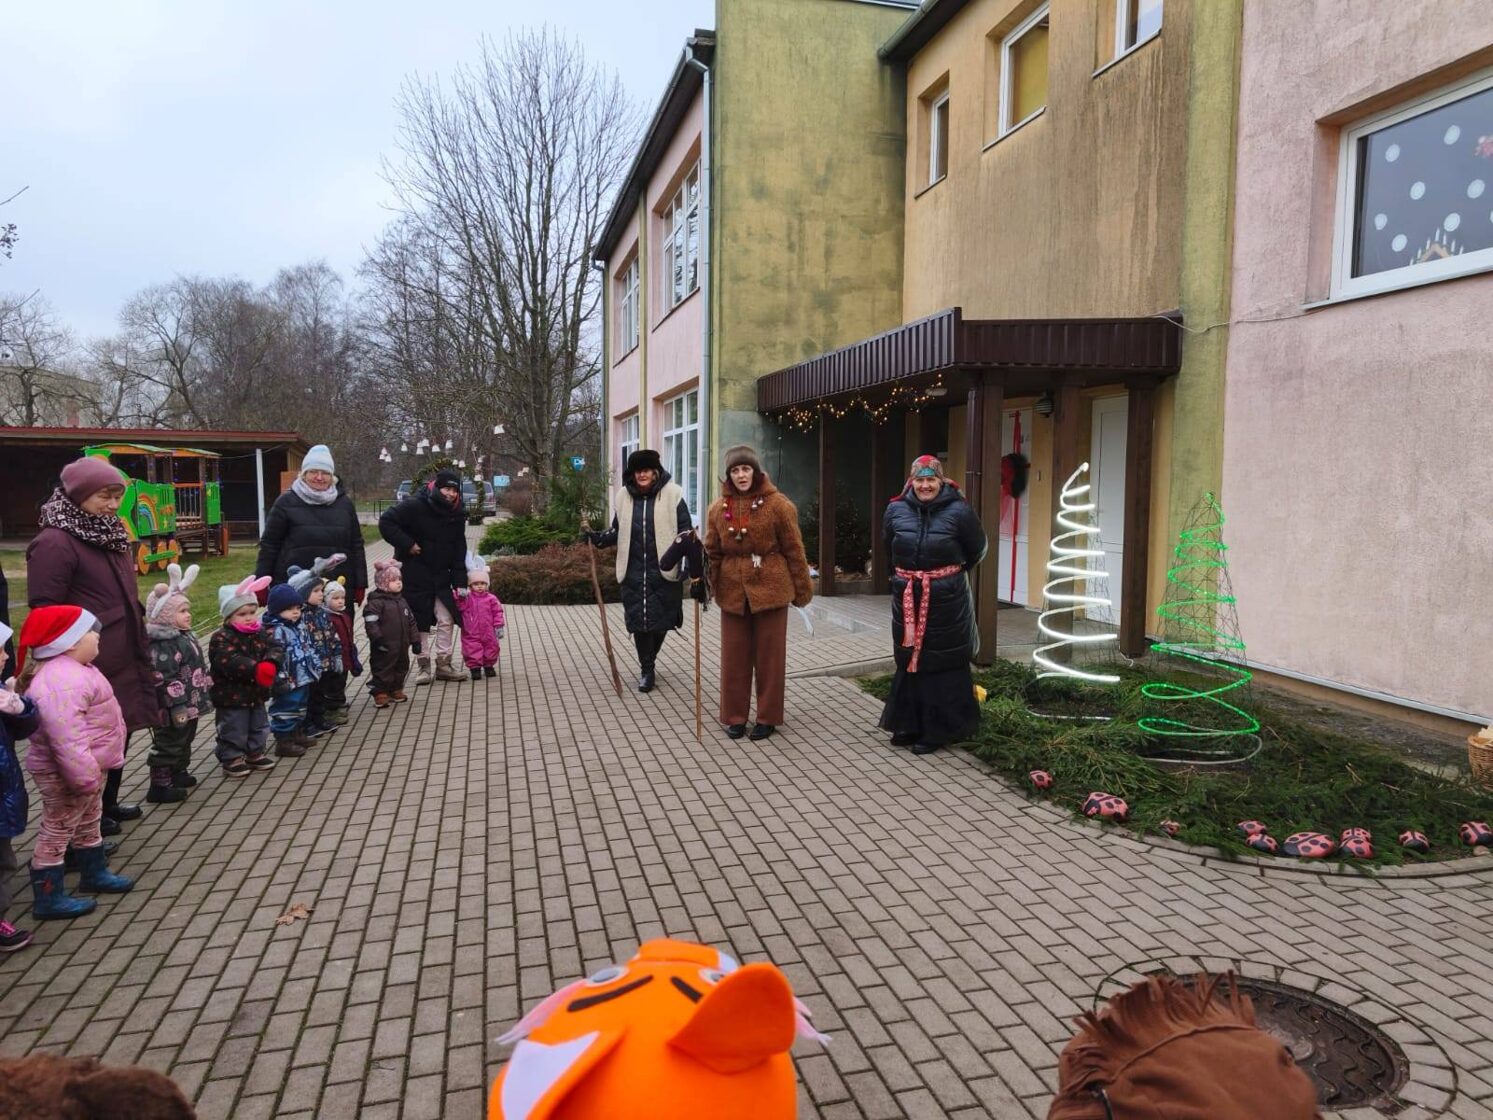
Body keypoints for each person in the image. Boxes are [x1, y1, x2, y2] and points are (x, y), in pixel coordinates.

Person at [26, 456, 162, 835]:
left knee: (117, 728)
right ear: (79, 494)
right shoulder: (55, 541)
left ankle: (108, 804)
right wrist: (64, 653)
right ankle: (87, 821)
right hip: (84, 656)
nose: (113, 505)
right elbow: (45, 607)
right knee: (89, 738)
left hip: (121, 647)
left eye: (118, 496)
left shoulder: (109, 532)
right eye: (105, 496)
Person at [18, 605, 134, 920]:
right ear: (69, 642)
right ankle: (48, 897)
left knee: (88, 819)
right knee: (58, 829)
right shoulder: (60, 681)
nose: (98, 638)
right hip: (70, 773)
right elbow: (65, 738)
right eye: (91, 633)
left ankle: (93, 872)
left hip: (89, 768)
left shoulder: (77, 669)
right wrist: (84, 776)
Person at [703, 445, 813, 741]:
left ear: (755, 471)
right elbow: (712, 551)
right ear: (728, 475)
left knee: (770, 659)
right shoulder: (718, 508)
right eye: (735, 471)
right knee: (734, 659)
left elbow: (794, 549)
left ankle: (767, 717)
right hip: (733, 593)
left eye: (746, 469)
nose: (741, 475)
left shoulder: (779, 505)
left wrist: (802, 589)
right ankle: (735, 717)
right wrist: (705, 585)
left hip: (772, 589)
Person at [880, 454, 988, 756]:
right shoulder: (895, 509)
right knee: (909, 656)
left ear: (941, 481)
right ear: (911, 482)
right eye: (920, 480)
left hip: (947, 598)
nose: (925, 485)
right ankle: (908, 724)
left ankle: (937, 730)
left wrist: (946, 576)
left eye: (931, 480)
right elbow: (889, 546)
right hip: (907, 594)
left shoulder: (960, 511)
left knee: (940, 658)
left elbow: (977, 549)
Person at [586, 449, 692, 692]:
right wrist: (598, 538)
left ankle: (649, 660)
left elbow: (685, 532)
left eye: (646, 470)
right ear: (632, 474)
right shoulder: (624, 497)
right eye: (637, 471)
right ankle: (647, 669)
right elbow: (617, 529)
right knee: (639, 622)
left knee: (662, 621)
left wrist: (687, 562)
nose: (642, 475)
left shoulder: (673, 494)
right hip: (633, 570)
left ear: (655, 472)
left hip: (664, 568)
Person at [378, 469, 468, 685]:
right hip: (415, 572)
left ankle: (444, 664)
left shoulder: (457, 514)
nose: (450, 494)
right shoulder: (415, 505)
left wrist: (460, 581)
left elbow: (459, 548)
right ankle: (423, 665)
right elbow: (387, 522)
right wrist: (408, 544)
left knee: (446, 618)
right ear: (436, 487)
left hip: (441, 575)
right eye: (446, 489)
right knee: (421, 621)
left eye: (454, 490)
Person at [255, 444, 368, 606]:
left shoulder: (344, 504)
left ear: (332, 476)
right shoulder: (286, 503)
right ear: (304, 474)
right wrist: (261, 582)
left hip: (336, 588)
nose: (319, 477)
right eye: (313, 471)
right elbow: (270, 545)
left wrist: (360, 583)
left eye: (325, 473)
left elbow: (356, 545)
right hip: (295, 587)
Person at [142, 564, 212, 805]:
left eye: (187, 610)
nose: (188, 615)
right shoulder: (163, 644)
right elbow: (165, 677)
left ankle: (178, 771)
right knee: (169, 741)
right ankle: (160, 784)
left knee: (185, 738)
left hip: (191, 701)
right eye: (181, 611)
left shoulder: (185, 634)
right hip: (173, 705)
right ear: (164, 616)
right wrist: (176, 703)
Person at [209, 575, 279, 779]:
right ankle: (232, 757)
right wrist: (255, 668)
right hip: (231, 694)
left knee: (259, 723)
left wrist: (271, 662)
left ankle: (255, 752)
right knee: (234, 726)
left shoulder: (260, 632)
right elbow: (229, 660)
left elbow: (275, 647)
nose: (249, 618)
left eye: (252, 612)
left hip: (256, 692)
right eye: (242, 614)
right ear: (229, 616)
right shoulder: (221, 637)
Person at [0, 622, 40, 950]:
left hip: (5, 792)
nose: (5, 656)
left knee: (5, 860)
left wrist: (20, 706)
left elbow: (25, 729)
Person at [288, 555, 345, 737]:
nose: (321, 594)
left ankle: (319, 719)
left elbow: (332, 634)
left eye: (321, 590)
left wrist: (336, 655)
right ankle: (307, 723)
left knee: (320, 694)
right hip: (310, 666)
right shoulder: (300, 616)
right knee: (309, 696)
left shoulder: (321, 611)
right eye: (316, 591)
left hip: (325, 662)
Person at [264, 583, 319, 758]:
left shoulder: (298, 626)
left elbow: (308, 646)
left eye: (297, 608)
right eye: (289, 609)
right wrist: (278, 676)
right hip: (286, 678)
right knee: (286, 707)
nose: (295, 612)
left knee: (300, 706)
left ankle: (296, 732)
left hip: (302, 675)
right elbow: (272, 657)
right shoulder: (276, 631)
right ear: (276, 610)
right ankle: (283, 739)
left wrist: (314, 665)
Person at [363, 559, 419, 708]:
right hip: (384, 644)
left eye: (400, 579)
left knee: (402, 666)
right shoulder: (376, 603)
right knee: (383, 667)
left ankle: (396, 689)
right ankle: (380, 692)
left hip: (402, 644)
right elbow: (371, 623)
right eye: (393, 580)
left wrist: (415, 640)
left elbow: (411, 621)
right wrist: (377, 639)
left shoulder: (402, 601)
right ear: (383, 583)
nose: (399, 583)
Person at [455, 555, 506, 681]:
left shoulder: (491, 599)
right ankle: (475, 668)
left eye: (483, 583)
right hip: (471, 630)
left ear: (487, 584)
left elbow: (497, 612)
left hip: (488, 630)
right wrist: (459, 595)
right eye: (476, 584)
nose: (479, 586)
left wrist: (499, 626)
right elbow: (459, 606)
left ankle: (489, 666)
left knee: (491, 647)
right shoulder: (467, 598)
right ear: (470, 585)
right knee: (472, 648)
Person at [320, 580, 361, 723]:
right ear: (326, 599)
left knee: (342, 681)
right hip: (334, 658)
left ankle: (339, 702)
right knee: (333, 684)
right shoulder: (327, 618)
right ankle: (332, 710)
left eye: (342, 598)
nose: (340, 601)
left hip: (345, 655)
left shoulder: (343, 615)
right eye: (335, 598)